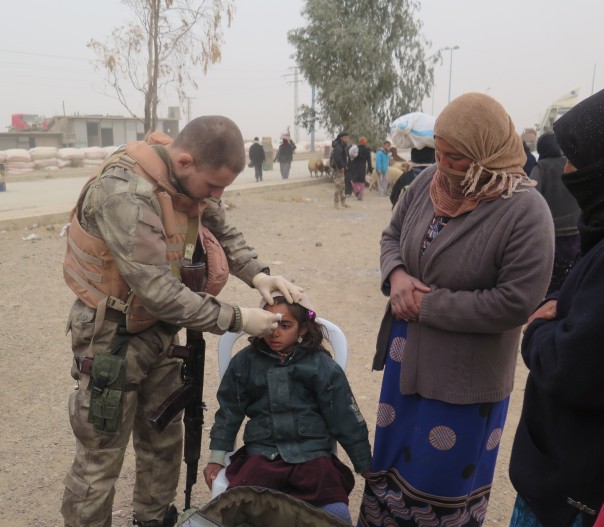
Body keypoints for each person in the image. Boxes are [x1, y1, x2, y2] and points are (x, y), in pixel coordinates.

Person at [61, 115, 304, 527]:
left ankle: (154, 519)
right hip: (110, 337)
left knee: (163, 438)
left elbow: (222, 230)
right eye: (213, 186)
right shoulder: (125, 192)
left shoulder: (188, 181)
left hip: (159, 333)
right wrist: (239, 319)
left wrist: (260, 275)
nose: (217, 195)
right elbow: (158, 291)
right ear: (185, 161)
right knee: (100, 455)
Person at [358, 93, 555, 527]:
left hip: (464, 379)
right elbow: (391, 237)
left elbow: (515, 301)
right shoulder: (427, 183)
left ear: (489, 152)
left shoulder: (525, 211)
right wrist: (397, 275)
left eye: (457, 158)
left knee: (440, 483)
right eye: (440, 153)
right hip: (405, 361)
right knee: (389, 470)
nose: (444, 165)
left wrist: (426, 305)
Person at [508, 89, 604, 527]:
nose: (566, 171)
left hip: (569, 493)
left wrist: (538, 328)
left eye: (576, 160)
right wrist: (561, 306)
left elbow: (572, 367)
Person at [203, 293, 372, 525]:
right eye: (270, 324)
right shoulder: (244, 363)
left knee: (335, 514)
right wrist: (216, 457)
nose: (275, 332)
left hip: (312, 456)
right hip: (262, 456)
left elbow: (345, 417)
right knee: (244, 507)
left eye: (285, 325)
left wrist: (365, 465)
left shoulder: (321, 365)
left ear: (302, 328)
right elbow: (229, 412)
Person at [530, 131, 581, 294]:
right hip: (576, 229)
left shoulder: (540, 168)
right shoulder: (570, 164)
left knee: (551, 277)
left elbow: (532, 198)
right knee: (570, 275)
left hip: (552, 232)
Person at [331, 132, 350, 209]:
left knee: (342, 186)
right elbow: (337, 157)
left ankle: (343, 202)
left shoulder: (343, 145)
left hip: (341, 169)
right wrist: (341, 166)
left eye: (347, 138)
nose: (347, 139)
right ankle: (336, 203)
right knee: (338, 186)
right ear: (341, 138)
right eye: (345, 138)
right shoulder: (338, 146)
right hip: (338, 169)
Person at [349, 137, 372, 201]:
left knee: (354, 180)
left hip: (355, 166)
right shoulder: (367, 149)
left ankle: (357, 191)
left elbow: (351, 157)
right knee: (361, 180)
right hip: (362, 167)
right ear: (365, 142)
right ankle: (360, 196)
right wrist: (370, 169)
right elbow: (369, 160)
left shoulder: (356, 148)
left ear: (359, 142)